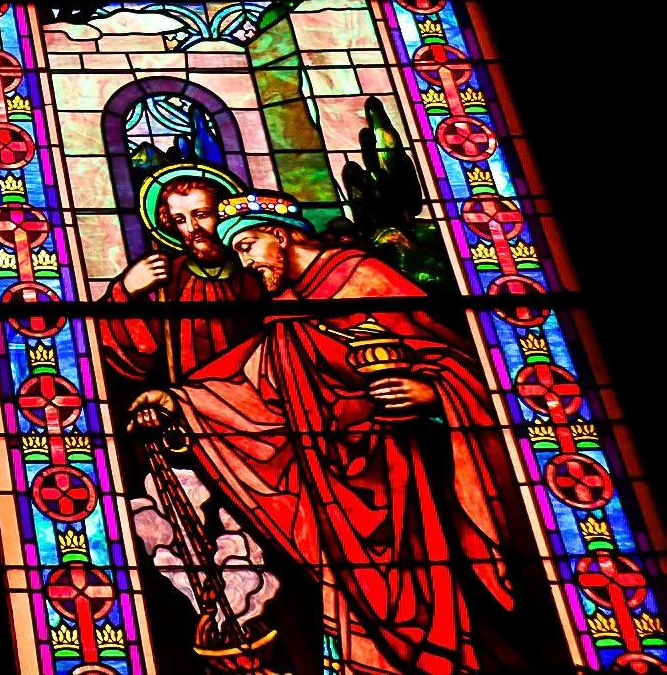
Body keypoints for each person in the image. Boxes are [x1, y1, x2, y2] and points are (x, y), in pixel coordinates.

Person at [130, 195, 526, 675]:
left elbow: (461, 358)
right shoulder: (288, 309)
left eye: (251, 246)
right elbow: (255, 382)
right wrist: (180, 401)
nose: (248, 262)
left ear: (280, 234)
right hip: (329, 479)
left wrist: (432, 392)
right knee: (354, 595)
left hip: (404, 469)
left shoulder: (363, 278)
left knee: (423, 587)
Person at [96, 165, 267, 385]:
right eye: (179, 219)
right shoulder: (164, 279)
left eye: (201, 215)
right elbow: (131, 353)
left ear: (224, 216)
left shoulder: (257, 273)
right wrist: (126, 292)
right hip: (182, 400)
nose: (192, 227)